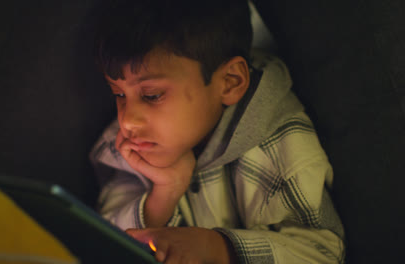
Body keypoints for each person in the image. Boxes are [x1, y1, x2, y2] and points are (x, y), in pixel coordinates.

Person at [90, 0, 345, 263]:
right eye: (119, 94)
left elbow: (322, 253)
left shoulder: (278, 144)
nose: (128, 121)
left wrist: (219, 248)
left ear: (229, 82)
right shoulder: (129, 146)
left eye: (152, 95)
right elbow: (98, 240)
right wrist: (163, 195)